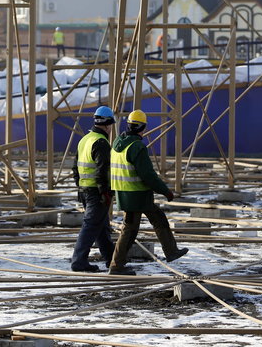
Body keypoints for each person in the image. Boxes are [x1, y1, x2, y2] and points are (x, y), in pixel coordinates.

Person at [108, 109, 188, 275]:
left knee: (149, 221)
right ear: (142, 128)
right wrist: (166, 192)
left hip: (124, 194)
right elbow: (148, 175)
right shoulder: (137, 147)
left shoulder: (117, 143)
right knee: (132, 229)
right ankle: (116, 266)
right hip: (138, 195)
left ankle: (171, 251)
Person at [70, 106, 116, 272]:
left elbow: (75, 167)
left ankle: (112, 259)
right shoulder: (101, 142)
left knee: (101, 227)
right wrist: (105, 192)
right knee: (90, 226)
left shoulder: (85, 139)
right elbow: (101, 171)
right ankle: (79, 261)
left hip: (85, 190)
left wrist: (80, 185)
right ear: (108, 125)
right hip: (96, 193)